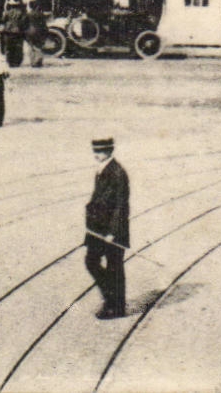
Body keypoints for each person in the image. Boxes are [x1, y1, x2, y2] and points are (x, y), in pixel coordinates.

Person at [84, 136, 130, 319]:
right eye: (95, 151)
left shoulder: (118, 172)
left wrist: (113, 232)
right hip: (97, 229)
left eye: (100, 152)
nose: (97, 155)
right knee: (92, 262)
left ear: (109, 151)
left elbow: (121, 205)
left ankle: (116, 306)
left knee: (114, 267)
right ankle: (112, 299)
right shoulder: (102, 169)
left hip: (112, 231)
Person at [0, 0, 28, 68]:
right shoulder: (21, 12)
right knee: (18, 47)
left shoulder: (7, 12)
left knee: (9, 47)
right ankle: (17, 62)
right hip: (17, 31)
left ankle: (10, 61)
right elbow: (24, 22)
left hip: (8, 31)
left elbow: (3, 20)